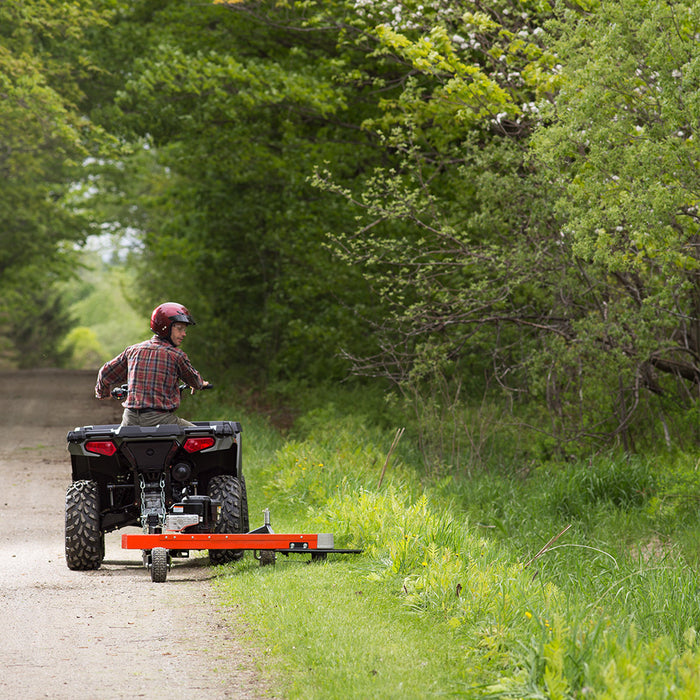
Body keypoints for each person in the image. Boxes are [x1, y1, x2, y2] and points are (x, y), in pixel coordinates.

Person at [95, 302, 210, 427]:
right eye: (180, 329)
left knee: (122, 444)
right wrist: (200, 384)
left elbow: (105, 372)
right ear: (165, 327)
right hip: (162, 420)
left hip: (130, 419)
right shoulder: (176, 355)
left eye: (185, 329)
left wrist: (103, 393)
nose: (184, 334)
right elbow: (193, 379)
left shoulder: (133, 351)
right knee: (201, 440)